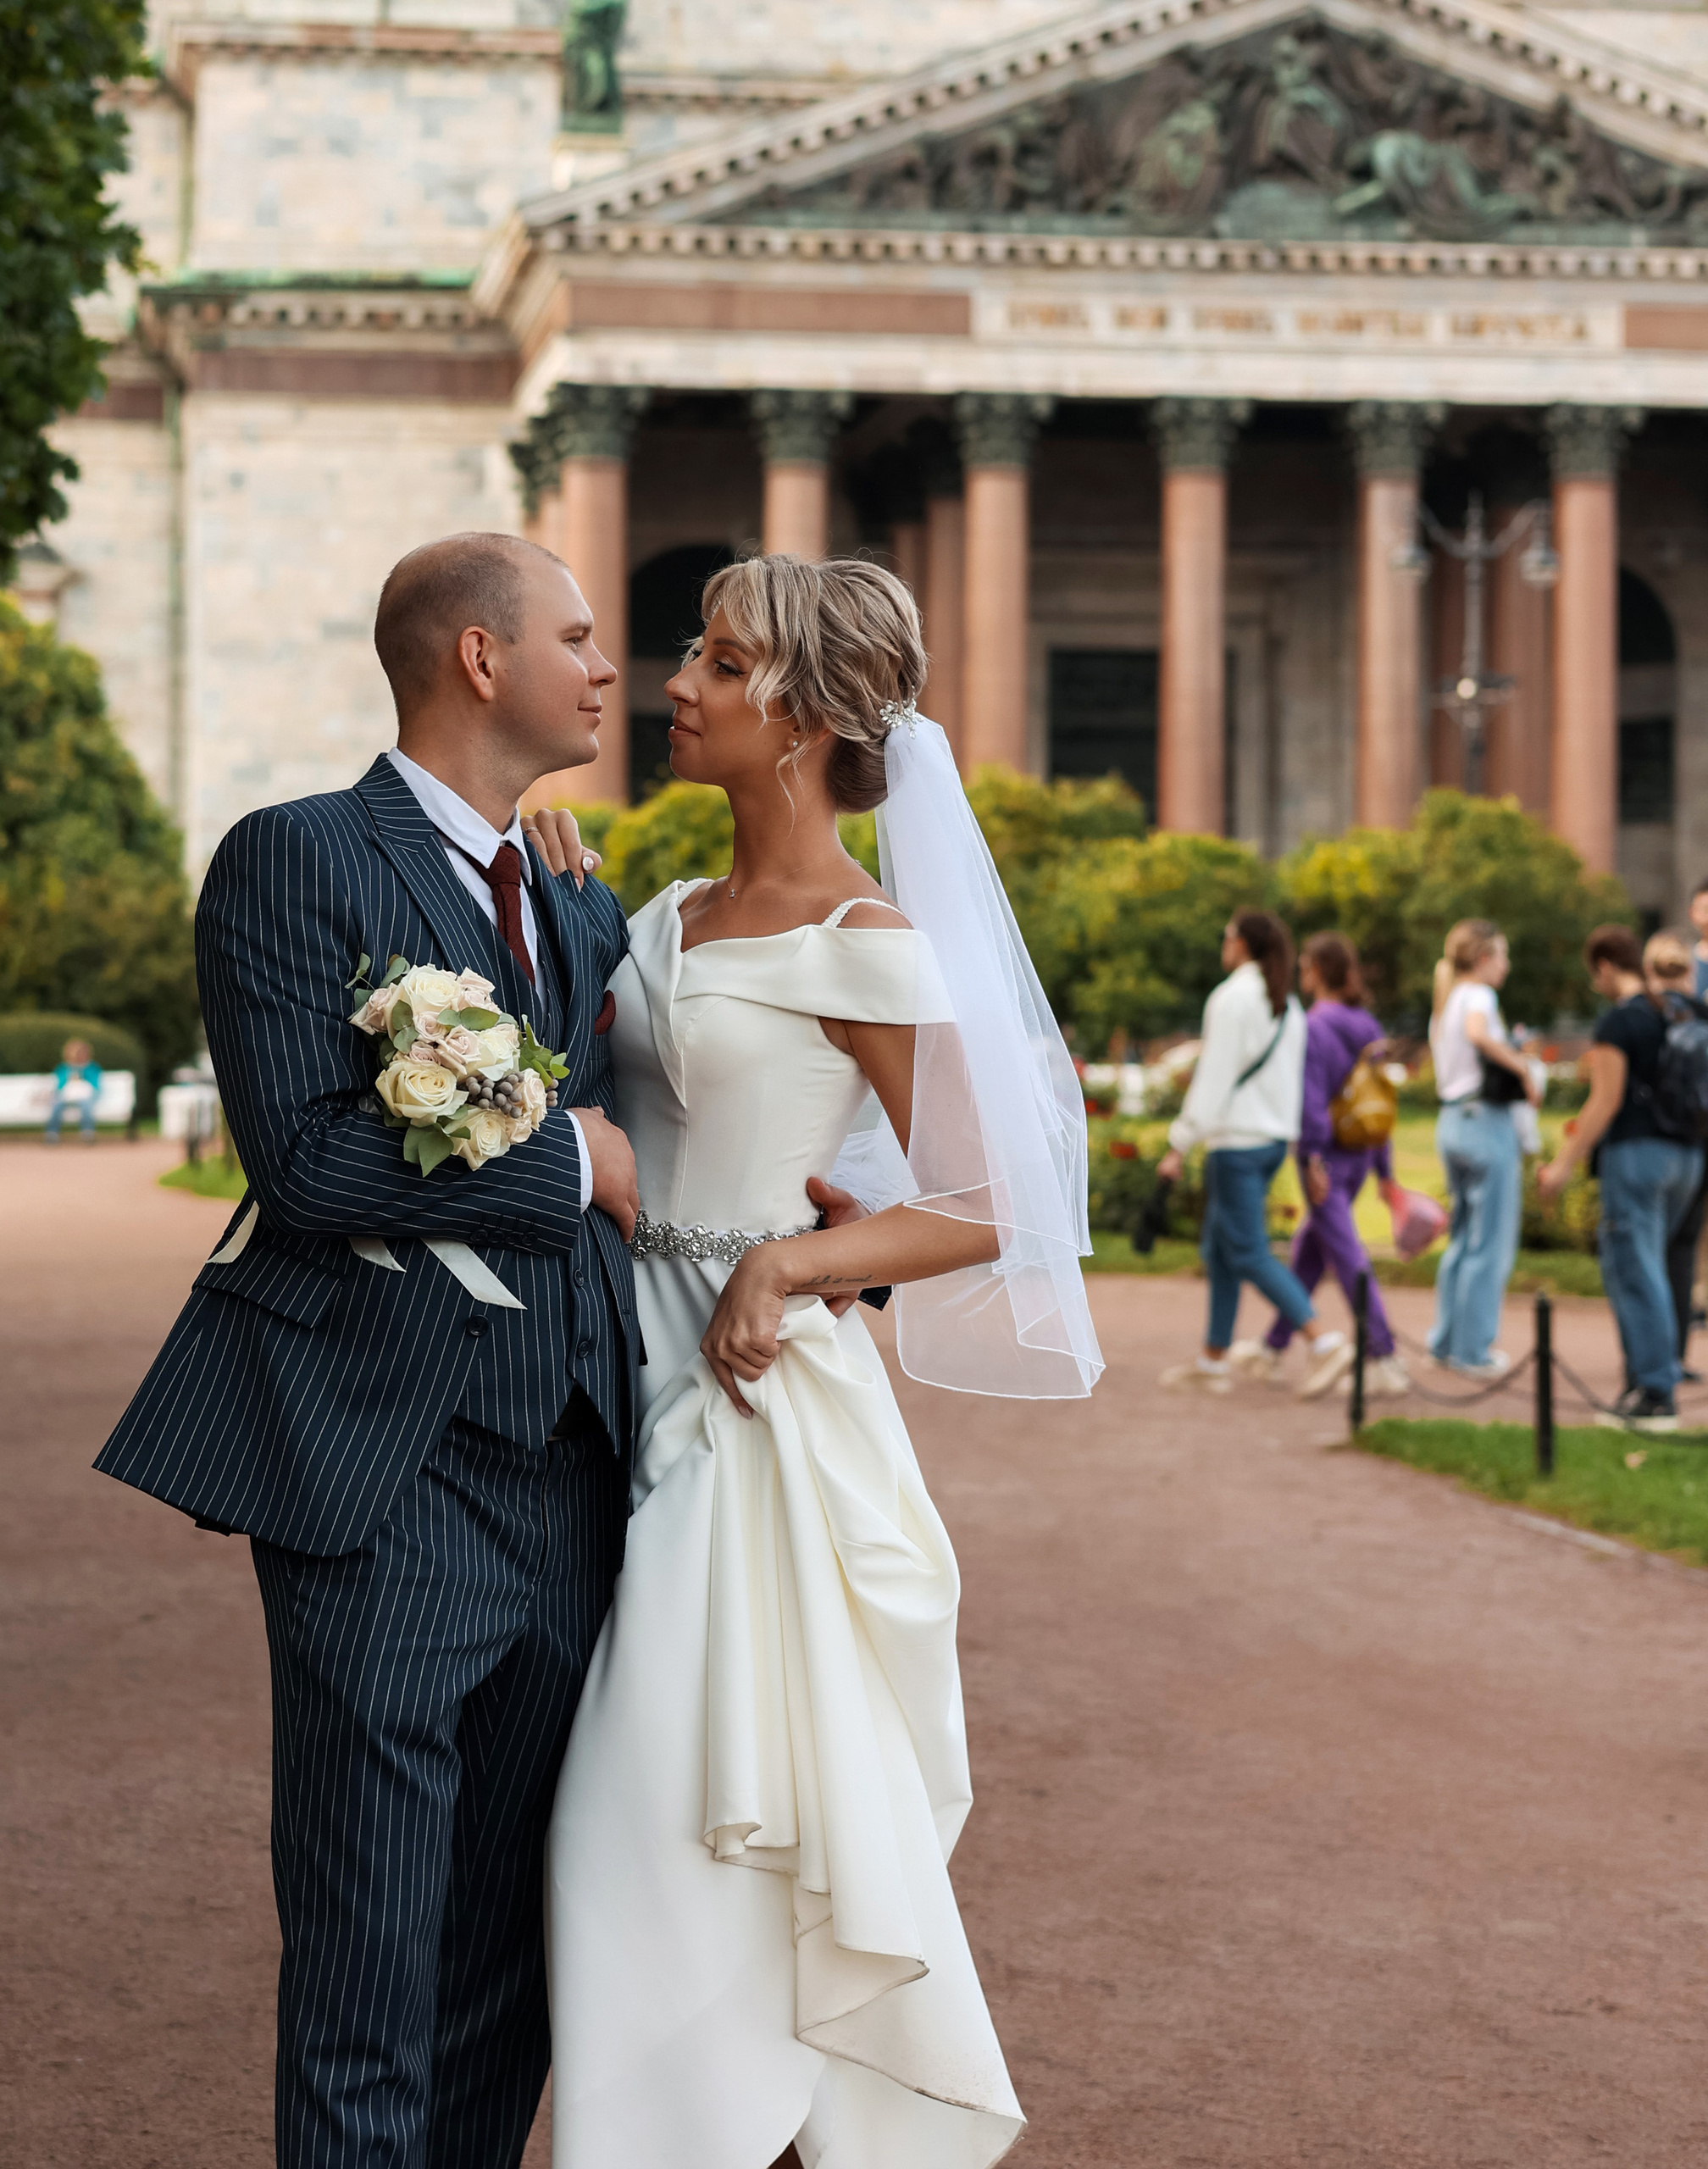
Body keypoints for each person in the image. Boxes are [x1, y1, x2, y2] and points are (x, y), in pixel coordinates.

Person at [527, 553, 1097, 2169]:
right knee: (652, 1829)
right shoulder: (654, 916)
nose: (672, 685)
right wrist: (561, 910)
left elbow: (994, 1204)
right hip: (614, 1374)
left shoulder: (872, 939)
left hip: (754, 1414)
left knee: (686, 1819)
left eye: (715, 661)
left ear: (797, 716)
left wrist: (800, 1258)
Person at [96, 533, 646, 2169]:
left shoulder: (567, 894)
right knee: (367, 1961)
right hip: (380, 1477)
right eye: (580, 636)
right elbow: (308, 1160)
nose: (611, 667)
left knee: (507, 1969)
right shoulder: (294, 857)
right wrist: (571, 1166)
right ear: (480, 660)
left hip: (578, 1479)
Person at [1155, 909, 1349, 1395]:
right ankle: (1213, 1360)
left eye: (1227, 936)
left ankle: (1324, 1342)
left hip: (1236, 1143)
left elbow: (1213, 1077)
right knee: (1220, 1253)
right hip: (1270, 1144)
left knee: (1247, 1251)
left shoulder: (1232, 999)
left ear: (1243, 945)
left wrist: (1180, 1140)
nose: (1224, 943)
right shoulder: (1286, 1005)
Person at [1539, 924, 1705, 1432]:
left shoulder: (1622, 1022)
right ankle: (1648, 1380)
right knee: (1655, 1266)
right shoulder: (1685, 1013)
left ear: (1607, 966)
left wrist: (1563, 1163)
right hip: (1688, 1158)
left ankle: (1654, 1393)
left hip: (1637, 1156)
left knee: (1635, 1270)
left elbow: (1605, 1101)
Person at [1248, 933, 1411, 1399]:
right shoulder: (1367, 1025)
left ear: (1318, 970)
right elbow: (1379, 1102)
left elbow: (1311, 1100)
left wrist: (1311, 1159)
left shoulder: (1314, 1026)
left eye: (1305, 965)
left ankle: (1384, 1355)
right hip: (1361, 1157)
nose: (1301, 972)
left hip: (1327, 1162)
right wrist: (1384, 1170)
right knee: (1311, 1253)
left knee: (1347, 1256)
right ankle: (1273, 1347)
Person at [1426, 919, 1538, 1376]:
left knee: (1463, 1241)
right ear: (1485, 958)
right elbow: (1478, 1033)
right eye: (1503, 956)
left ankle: (1447, 1340)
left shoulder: (1448, 999)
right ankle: (1472, 1350)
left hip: (1453, 1119)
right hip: (1483, 1122)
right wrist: (1523, 1067)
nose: (1508, 966)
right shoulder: (1478, 996)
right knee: (1489, 1244)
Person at [1643, 931, 1707, 1380]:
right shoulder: (1702, 1017)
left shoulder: (1641, 1017)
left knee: (1648, 1253)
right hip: (1696, 1146)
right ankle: (1677, 1355)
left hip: (1649, 1145)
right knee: (1682, 1252)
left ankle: (1650, 1357)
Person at [43, 1037, 102, 1143]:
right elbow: (60, 1086)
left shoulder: (92, 1067)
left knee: (86, 1105)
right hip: (67, 1096)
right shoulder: (63, 1068)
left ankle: (87, 1133)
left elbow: (95, 1085)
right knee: (56, 1104)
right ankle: (52, 1134)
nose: (79, 1056)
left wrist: (82, 1073)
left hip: (85, 1096)